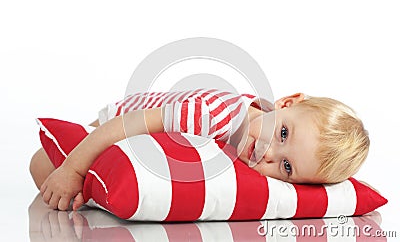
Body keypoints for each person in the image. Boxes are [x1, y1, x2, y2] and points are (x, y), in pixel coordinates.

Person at [29, 88, 369, 211]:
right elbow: (128, 125)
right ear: (286, 102)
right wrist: (73, 170)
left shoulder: (253, 151)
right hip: (119, 120)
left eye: (287, 167)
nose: (268, 154)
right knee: (42, 168)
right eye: (282, 134)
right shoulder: (211, 116)